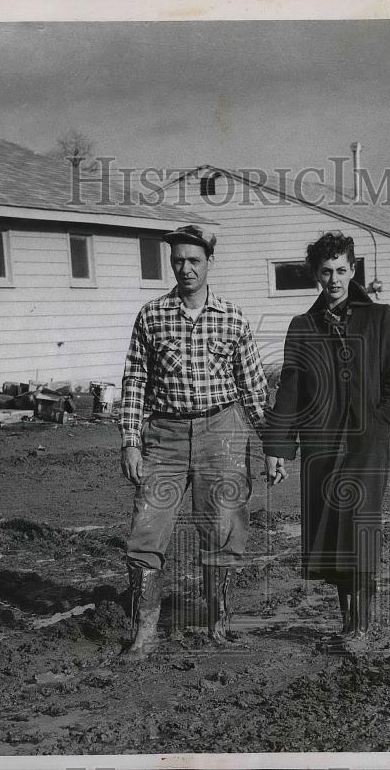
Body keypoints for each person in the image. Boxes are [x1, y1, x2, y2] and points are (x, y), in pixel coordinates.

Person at [119, 224, 268, 658]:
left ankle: (217, 625)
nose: (186, 268)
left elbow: (254, 390)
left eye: (194, 261)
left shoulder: (233, 318)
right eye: (178, 260)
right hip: (163, 437)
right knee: (147, 530)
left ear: (209, 264)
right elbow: (134, 382)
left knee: (223, 530)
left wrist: (273, 445)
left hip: (221, 432)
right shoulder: (151, 316)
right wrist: (130, 440)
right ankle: (144, 633)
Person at [263, 231, 390, 646]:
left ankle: (361, 629)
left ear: (353, 269)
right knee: (329, 533)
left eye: (342, 270)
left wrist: (382, 426)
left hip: (367, 445)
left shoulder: (380, 318)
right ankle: (347, 624)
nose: (334, 279)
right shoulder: (303, 326)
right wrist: (277, 449)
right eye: (326, 271)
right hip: (322, 447)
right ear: (316, 273)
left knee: (359, 526)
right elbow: (289, 392)